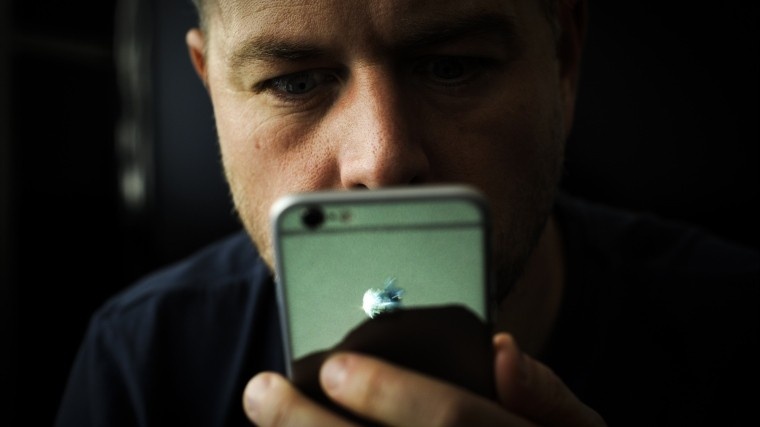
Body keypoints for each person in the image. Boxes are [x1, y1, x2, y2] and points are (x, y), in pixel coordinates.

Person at [55, 0, 758, 426]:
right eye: (294, 83)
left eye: (452, 66)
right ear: (212, 92)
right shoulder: (139, 362)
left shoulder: (735, 328)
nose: (382, 161)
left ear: (564, 60)